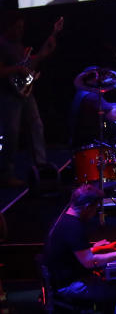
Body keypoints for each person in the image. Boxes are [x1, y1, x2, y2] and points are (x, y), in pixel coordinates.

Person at [43, 184, 116, 314]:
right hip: (69, 286)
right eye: (95, 208)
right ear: (87, 206)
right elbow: (89, 262)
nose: (95, 212)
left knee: (112, 283)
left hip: (61, 279)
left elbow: (69, 252)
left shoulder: (63, 219)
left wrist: (92, 249)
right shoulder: (74, 227)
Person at [0, 14, 62, 186]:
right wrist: (17, 68)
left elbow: (28, 65)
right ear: (8, 27)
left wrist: (43, 53)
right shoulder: (2, 44)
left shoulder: (18, 45)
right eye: (18, 27)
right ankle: (6, 174)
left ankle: (40, 165)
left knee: (36, 125)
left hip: (25, 92)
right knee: (11, 134)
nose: (21, 30)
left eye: (22, 27)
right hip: (8, 95)